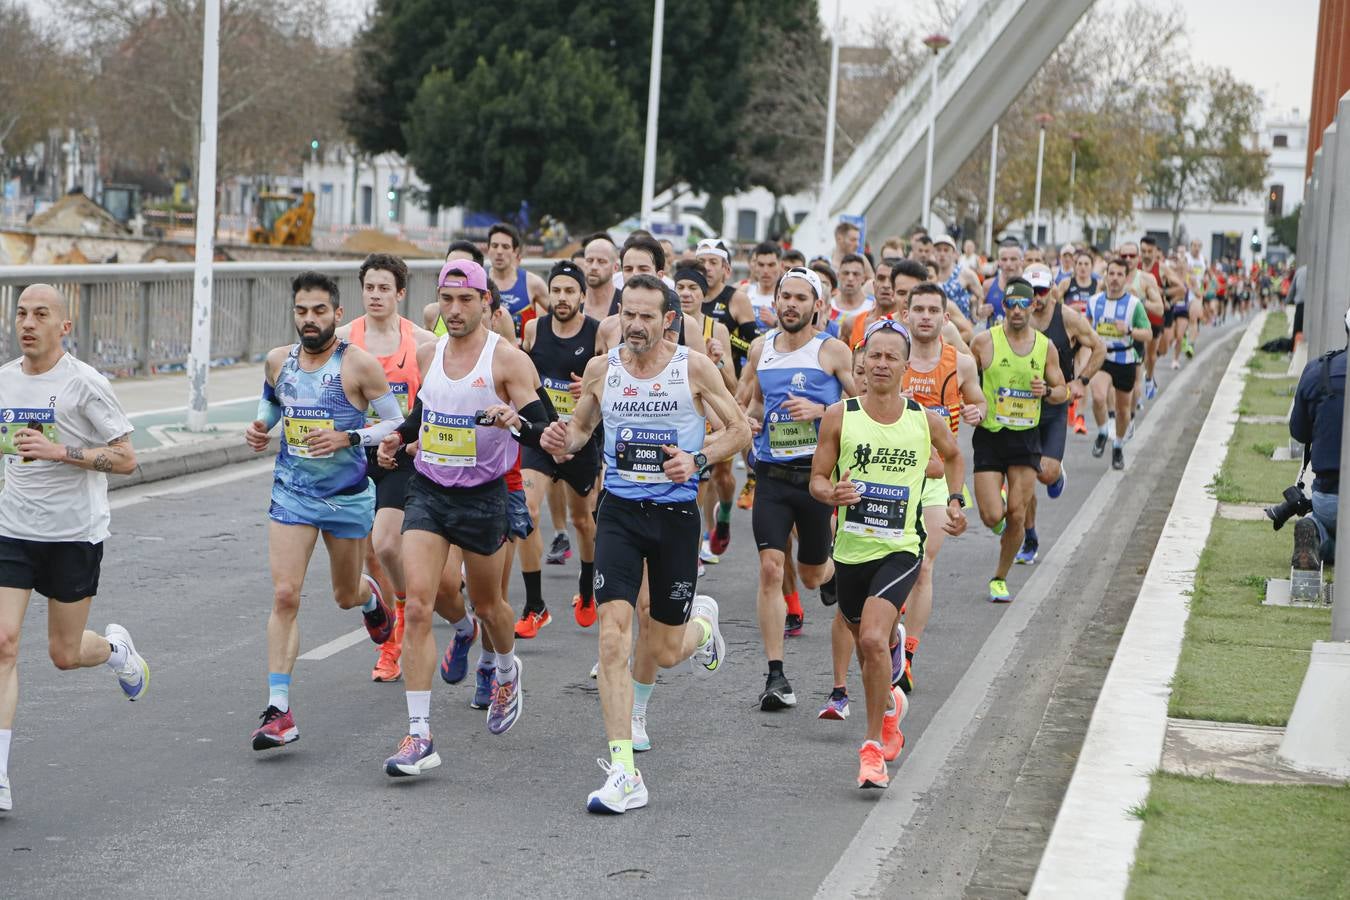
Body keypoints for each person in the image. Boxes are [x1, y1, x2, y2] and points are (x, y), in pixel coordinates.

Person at [538, 275, 750, 813]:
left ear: (667, 321)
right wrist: (563, 438)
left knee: (665, 650)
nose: (634, 325)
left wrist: (697, 460)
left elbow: (740, 430)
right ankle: (624, 771)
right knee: (613, 635)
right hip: (621, 514)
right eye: (627, 314)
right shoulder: (601, 370)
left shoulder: (692, 368)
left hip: (676, 517)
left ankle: (703, 627)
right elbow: (582, 431)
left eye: (646, 316)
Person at [374, 259, 543, 777]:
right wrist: (398, 441)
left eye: (465, 300)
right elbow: (423, 414)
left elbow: (545, 430)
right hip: (429, 490)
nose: (454, 310)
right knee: (420, 606)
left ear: (486, 303)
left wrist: (514, 420)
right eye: (446, 300)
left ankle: (507, 668)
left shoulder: (507, 361)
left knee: (491, 606)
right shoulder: (430, 352)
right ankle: (419, 735)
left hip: (484, 495)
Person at [0, 284, 150, 812]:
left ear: (64, 326)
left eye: (41, 314)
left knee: (64, 655)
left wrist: (58, 451)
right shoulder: (3, 382)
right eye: (21, 313)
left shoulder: (85, 385)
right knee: (3, 642)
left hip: (73, 534)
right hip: (13, 529)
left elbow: (128, 458)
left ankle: (117, 653)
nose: (28, 323)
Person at [245, 271, 401, 752]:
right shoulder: (278, 361)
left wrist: (349, 437)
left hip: (348, 495)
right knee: (286, 595)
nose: (308, 320)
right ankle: (279, 710)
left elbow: (396, 421)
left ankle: (370, 597)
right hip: (292, 492)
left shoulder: (359, 366)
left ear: (336, 314)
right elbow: (275, 401)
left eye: (318, 311)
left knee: (343, 595)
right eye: (301, 311)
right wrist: (260, 427)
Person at [810, 319, 967, 788]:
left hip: (901, 548)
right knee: (866, 648)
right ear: (861, 363)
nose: (881, 364)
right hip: (852, 551)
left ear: (905, 365)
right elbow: (817, 478)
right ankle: (893, 709)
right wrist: (829, 494)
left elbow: (955, 457)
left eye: (890, 357)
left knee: (876, 640)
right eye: (873, 356)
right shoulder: (841, 416)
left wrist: (956, 502)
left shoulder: (925, 419)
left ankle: (873, 747)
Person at [743, 266, 855, 710]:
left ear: (817, 307)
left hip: (815, 479)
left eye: (799, 298)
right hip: (771, 475)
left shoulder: (832, 351)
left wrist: (822, 408)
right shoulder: (760, 349)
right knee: (771, 569)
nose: (790, 304)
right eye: (783, 296)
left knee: (811, 575)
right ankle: (775, 675)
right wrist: (749, 421)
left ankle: (833, 575)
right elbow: (752, 401)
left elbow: (860, 404)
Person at [335, 253, 437, 682]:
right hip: (353, 454)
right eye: (369, 287)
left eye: (384, 288)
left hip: (399, 454)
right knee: (367, 555)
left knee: (388, 545)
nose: (375, 295)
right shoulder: (342, 339)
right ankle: (389, 620)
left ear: (400, 293)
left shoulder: (421, 341)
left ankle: (396, 629)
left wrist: (409, 441)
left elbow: (431, 404)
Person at [970, 280, 1067, 603]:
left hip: (1026, 438)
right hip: (990, 435)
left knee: (1017, 513)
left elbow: (1063, 390)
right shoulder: (984, 342)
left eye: (1021, 304)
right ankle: (1005, 531)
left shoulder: (1045, 347)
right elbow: (967, 379)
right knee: (991, 515)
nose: (1015, 310)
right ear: (1003, 307)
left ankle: (1000, 577)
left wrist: (1048, 392)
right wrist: (972, 403)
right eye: (1009, 304)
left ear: (1032, 306)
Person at [519, 260, 602, 631]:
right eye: (557, 290)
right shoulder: (534, 329)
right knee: (527, 512)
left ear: (583, 296)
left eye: (571, 291)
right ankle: (535, 605)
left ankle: (587, 589)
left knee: (584, 521)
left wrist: (587, 388)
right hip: (541, 433)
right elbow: (521, 375)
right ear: (548, 294)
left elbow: (608, 384)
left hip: (582, 438)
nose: (563, 298)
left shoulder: (597, 334)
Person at [1017, 265, 1105, 565]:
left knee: (1046, 473)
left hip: (1055, 403)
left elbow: (1099, 347)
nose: (1036, 298)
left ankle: (1056, 473)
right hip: (1022, 406)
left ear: (1052, 289)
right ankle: (1029, 536)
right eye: (1031, 291)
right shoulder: (1017, 317)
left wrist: (1081, 381)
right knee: (1025, 476)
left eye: (1042, 291)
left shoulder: (1066, 317)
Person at [1288, 316, 1346, 567]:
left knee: (1326, 526)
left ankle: (1316, 533)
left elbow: (1299, 432)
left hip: (1327, 500)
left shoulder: (1317, 370)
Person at [1086, 257, 1153, 471]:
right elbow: (1085, 329)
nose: (1114, 279)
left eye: (1119, 275)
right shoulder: (1094, 302)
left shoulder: (1134, 305)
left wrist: (1130, 330)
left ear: (1126, 279)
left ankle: (1118, 445)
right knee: (1097, 397)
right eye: (1111, 274)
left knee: (1123, 410)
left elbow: (1148, 334)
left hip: (1125, 359)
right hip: (1103, 357)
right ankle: (1104, 431)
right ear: (1105, 276)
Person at [486, 222, 548, 333]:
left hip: (522, 349)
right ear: (488, 249)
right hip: (489, 350)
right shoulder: (479, 282)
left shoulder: (532, 283)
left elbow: (561, 315)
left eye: (505, 247)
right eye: (495, 246)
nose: (499, 252)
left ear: (515, 251)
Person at [932, 234, 984, 323]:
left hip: (960, 329)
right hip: (934, 327)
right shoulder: (927, 274)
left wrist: (974, 315)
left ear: (954, 253)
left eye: (946, 250)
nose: (942, 254)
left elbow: (981, 296)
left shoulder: (965, 274)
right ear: (933, 253)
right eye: (938, 250)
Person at [981, 241, 1025, 325]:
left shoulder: (1031, 286)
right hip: (993, 337)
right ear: (998, 262)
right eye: (1004, 259)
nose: (1008, 264)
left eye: (1013, 259)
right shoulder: (988, 285)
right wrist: (981, 311)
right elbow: (977, 313)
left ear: (1021, 261)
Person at [581, 233, 621, 321]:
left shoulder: (625, 302)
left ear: (615, 267)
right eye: (589, 260)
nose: (594, 267)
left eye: (601, 261)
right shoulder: (574, 302)